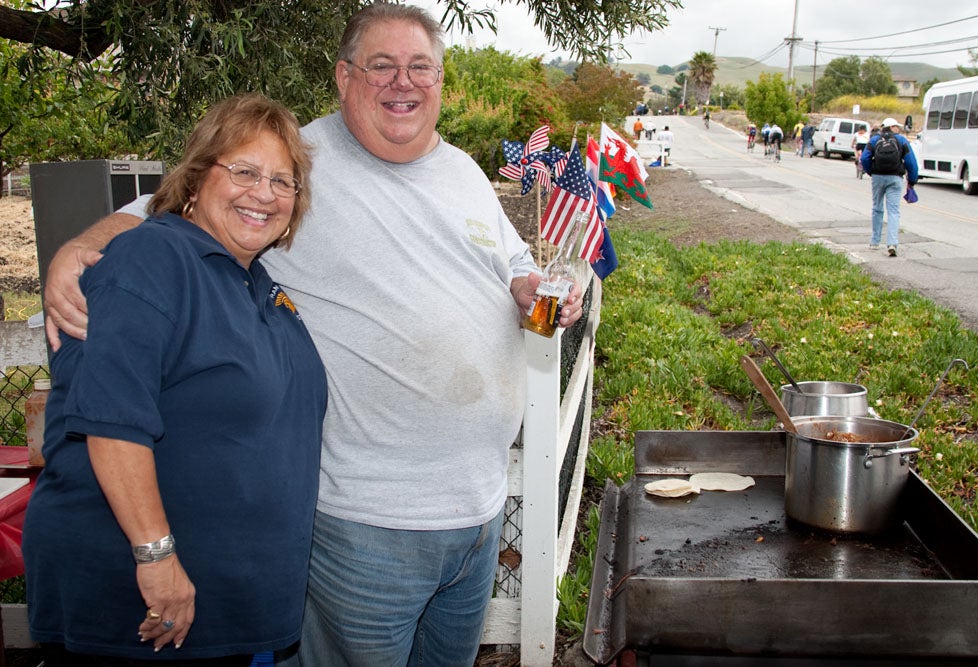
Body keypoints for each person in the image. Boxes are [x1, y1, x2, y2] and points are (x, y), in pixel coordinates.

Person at [42, 4, 585, 666]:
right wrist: (79, 248)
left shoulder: (464, 172)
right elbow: (166, 211)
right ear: (343, 76)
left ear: (441, 79)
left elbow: (513, 264)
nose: (401, 82)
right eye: (380, 65)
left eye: (420, 67)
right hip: (368, 523)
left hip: (476, 514)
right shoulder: (296, 162)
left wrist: (531, 285)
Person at [22, 94, 327, 665]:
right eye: (244, 171)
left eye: (283, 182)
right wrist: (157, 559)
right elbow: (112, 424)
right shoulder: (152, 260)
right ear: (194, 178)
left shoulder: (253, 280)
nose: (264, 193)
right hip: (147, 613)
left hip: (229, 610)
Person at [861, 117, 919, 257]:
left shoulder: (875, 140)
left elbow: (864, 158)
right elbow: (911, 162)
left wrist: (871, 171)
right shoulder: (901, 140)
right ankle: (892, 243)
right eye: (896, 126)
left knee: (877, 208)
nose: (898, 129)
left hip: (878, 177)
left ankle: (875, 241)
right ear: (892, 127)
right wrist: (912, 180)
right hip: (895, 178)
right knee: (893, 211)